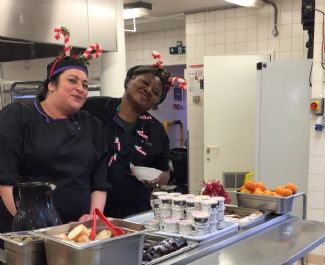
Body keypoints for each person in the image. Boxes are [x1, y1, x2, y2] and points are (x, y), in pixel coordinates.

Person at [0, 27, 109, 233]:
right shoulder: (18, 116)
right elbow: (5, 182)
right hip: (28, 232)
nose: (81, 88)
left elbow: (99, 183)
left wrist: (93, 218)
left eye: (85, 84)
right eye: (72, 81)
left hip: (78, 232)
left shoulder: (92, 124)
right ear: (51, 85)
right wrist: (34, 228)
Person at [83, 51, 186, 218]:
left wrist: (158, 179)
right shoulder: (94, 108)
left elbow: (165, 173)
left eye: (156, 93)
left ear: (156, 104)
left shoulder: (156, 130)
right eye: (145, 82)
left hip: (135, 212)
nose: (149, 90)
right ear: (128, 81)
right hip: (89, 208)